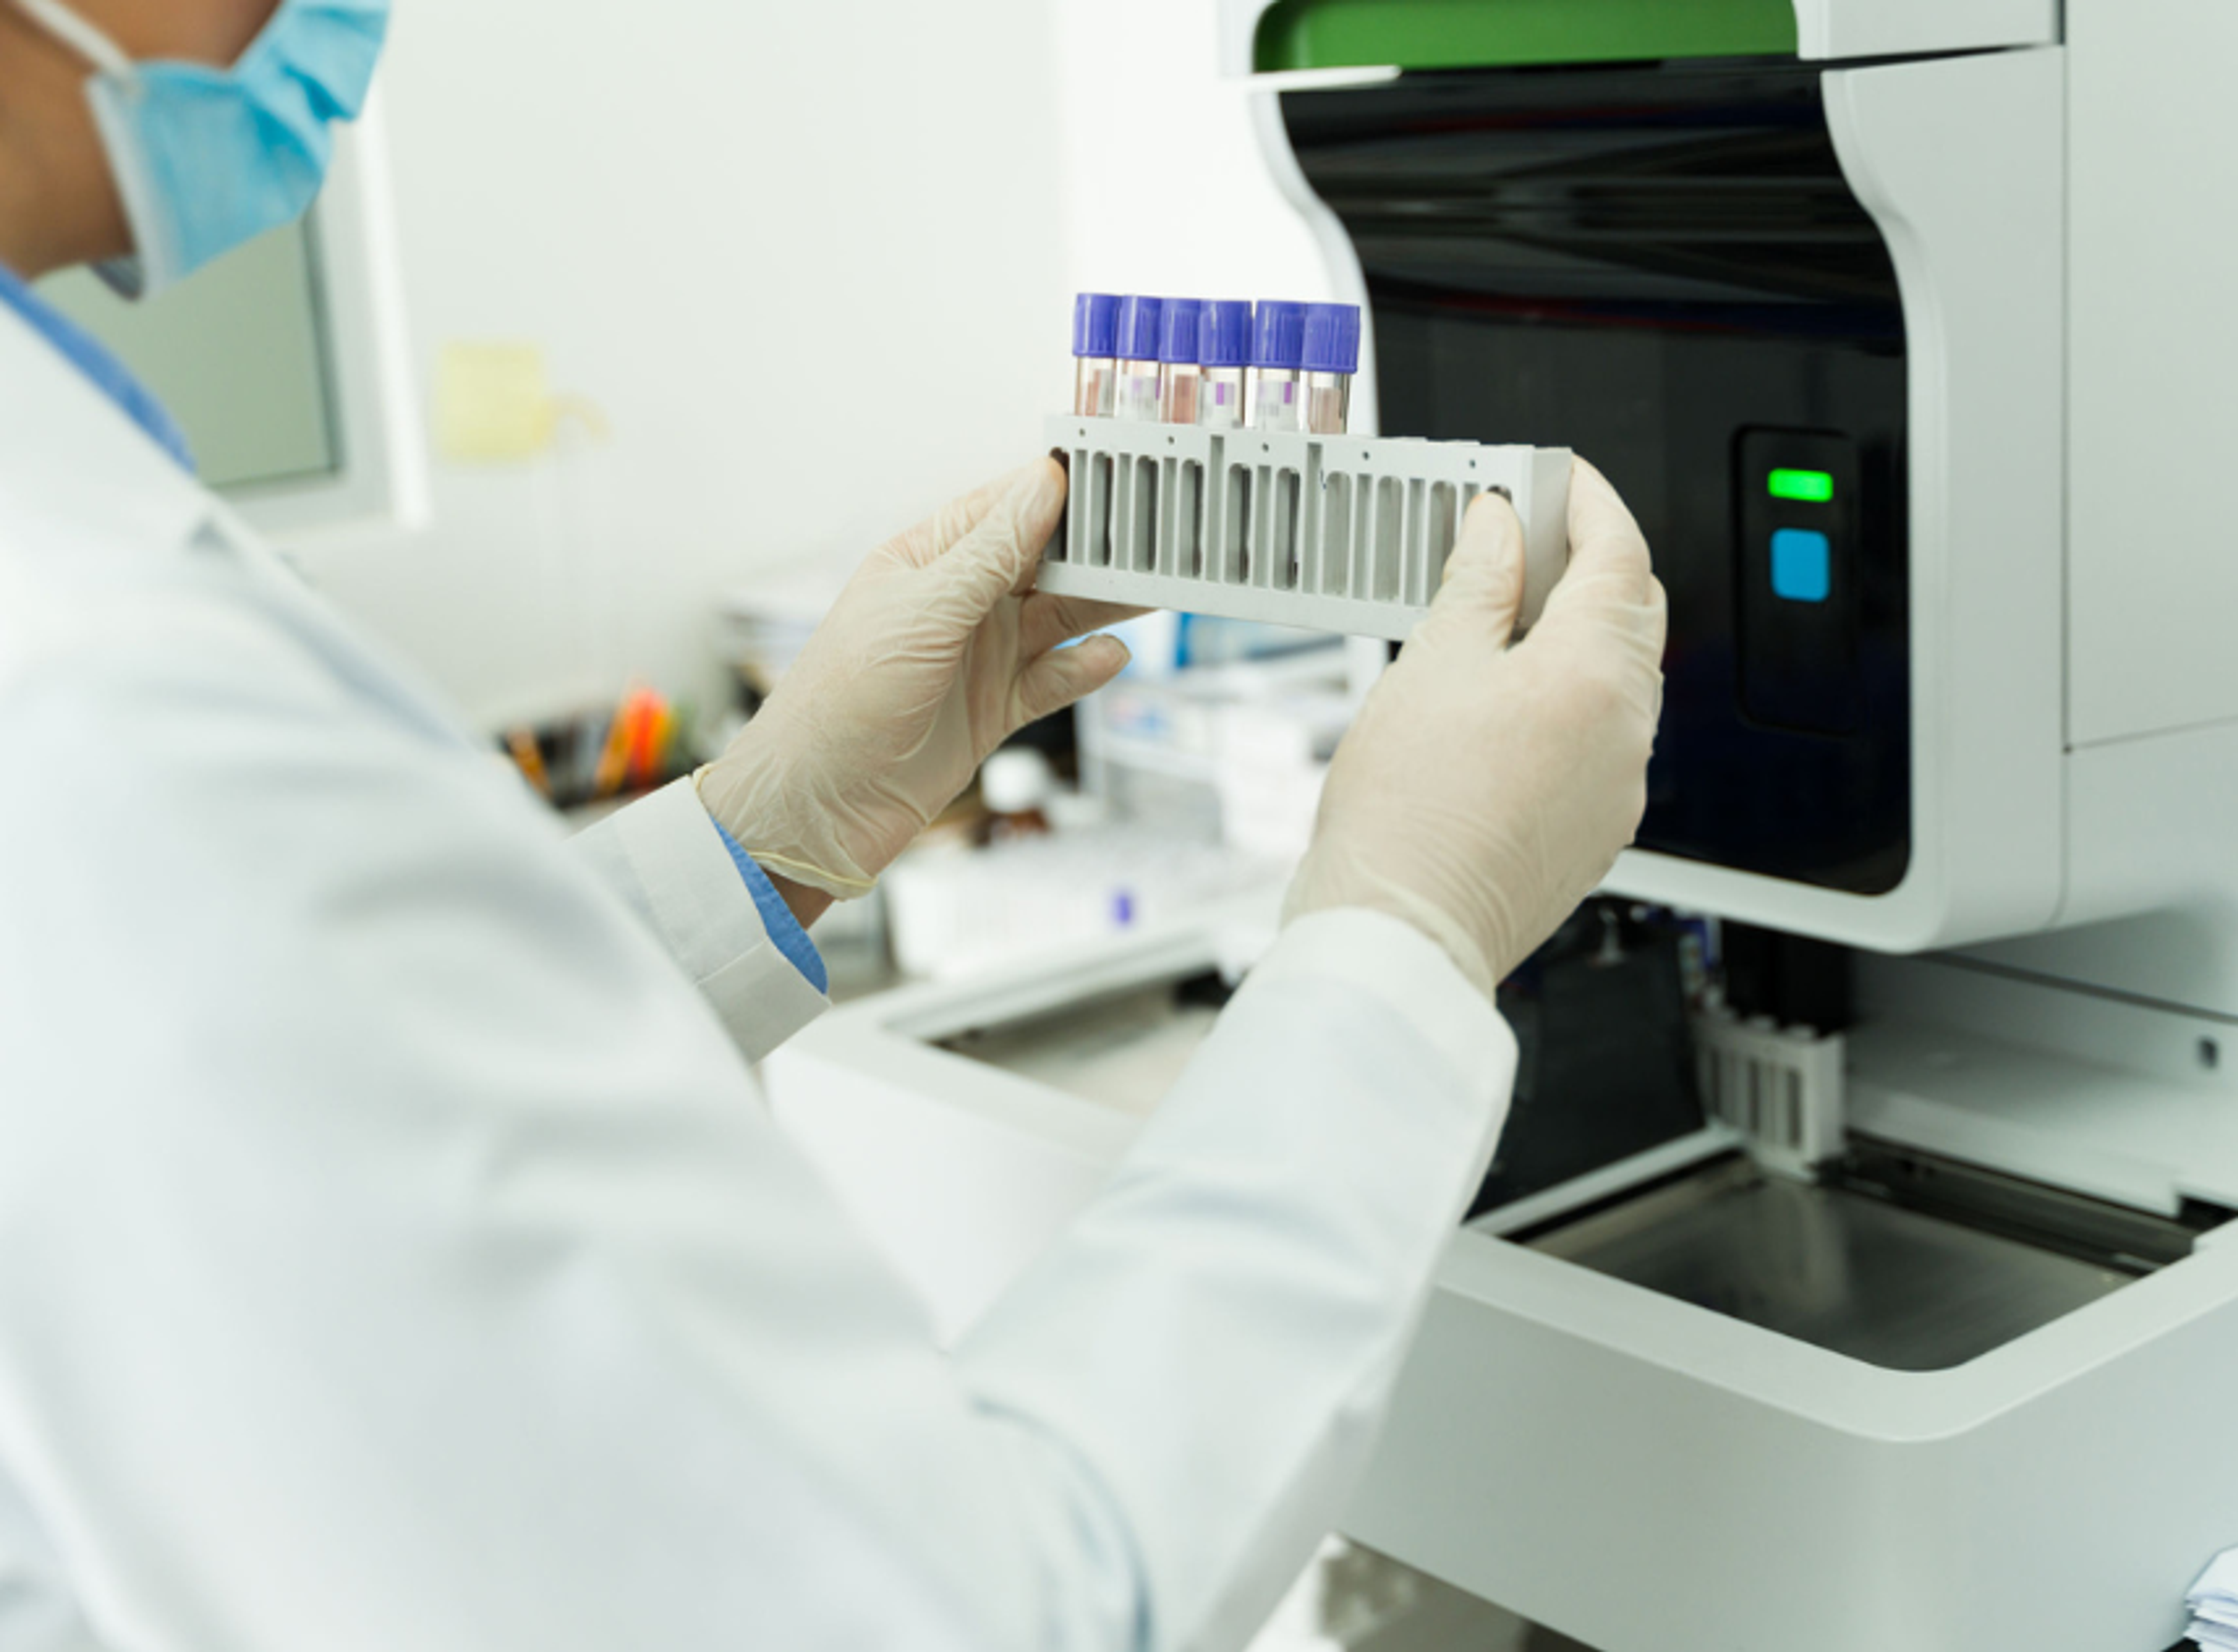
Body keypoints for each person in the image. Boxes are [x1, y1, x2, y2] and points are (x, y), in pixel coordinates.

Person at [0, 2, 1667, 1648]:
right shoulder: (109, 688)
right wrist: (1405, 931)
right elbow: (977, 1614)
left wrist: (758, 833)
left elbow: (335, 1104)